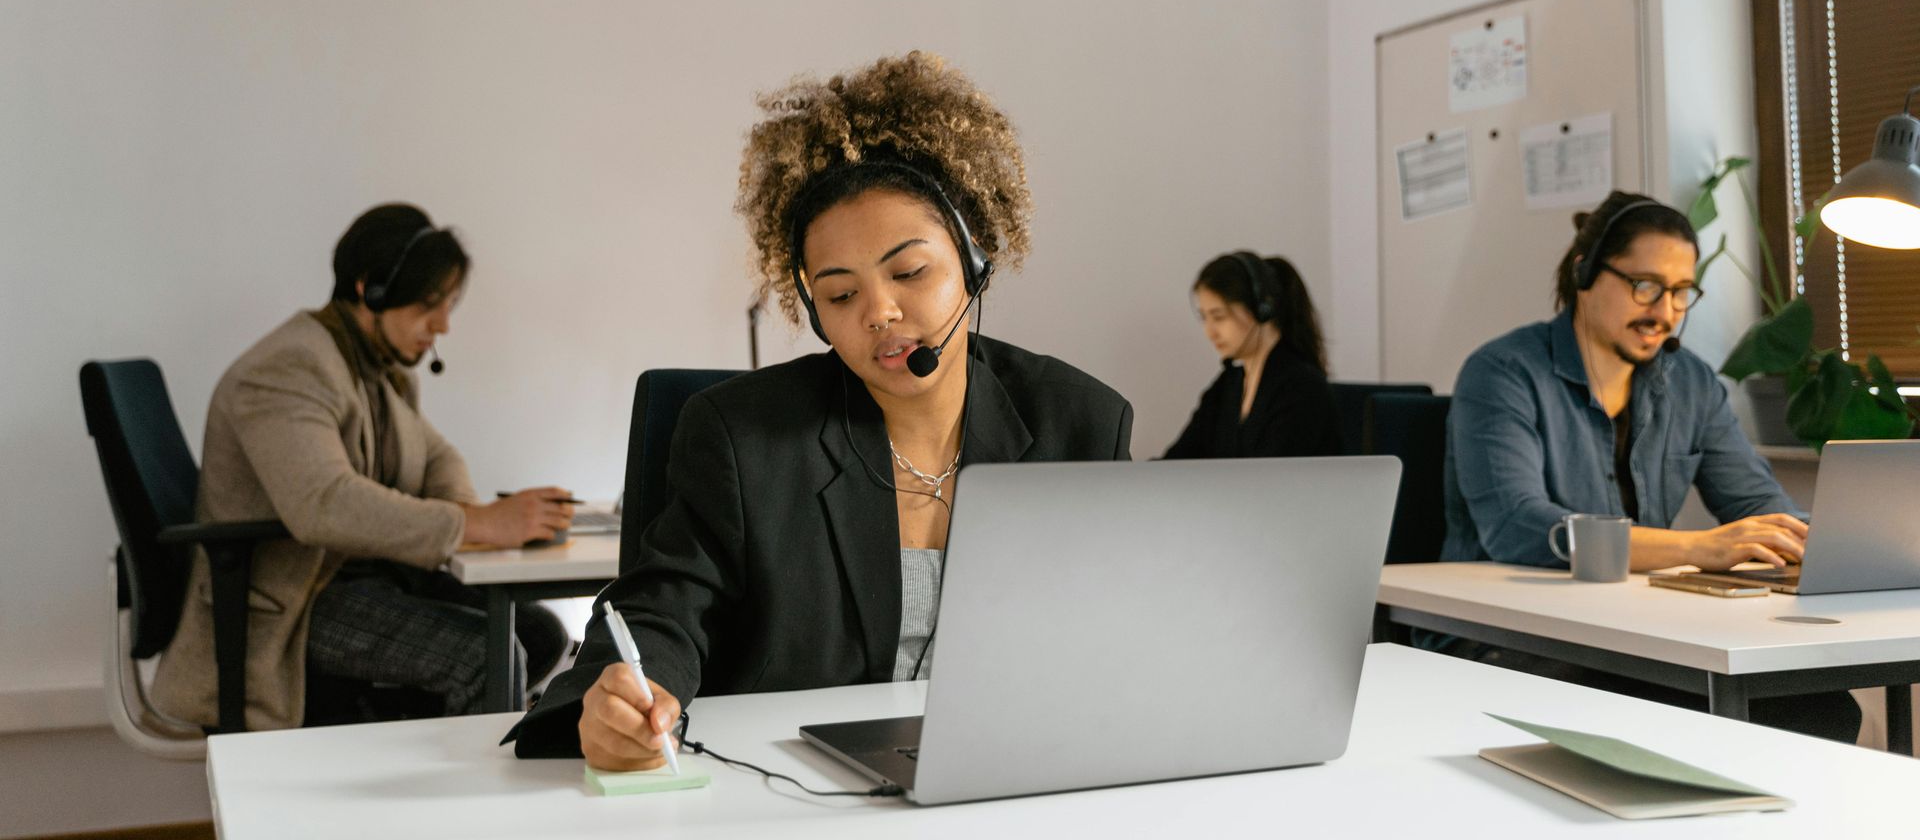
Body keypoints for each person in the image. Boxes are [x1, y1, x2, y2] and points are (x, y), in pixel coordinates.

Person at [507, 52, 1135, 766]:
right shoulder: (745, 437)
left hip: (1014, 777)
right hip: (792, 790)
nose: (880, 313)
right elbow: (661, 610)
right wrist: (626, 695)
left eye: (909, 272)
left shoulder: (1081, 422)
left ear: (977, 259)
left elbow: (1123, 637)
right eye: (840, 295)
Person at [1439, 189, 1857, 740]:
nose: (1664, 313)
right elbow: (1518, 527)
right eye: (1645, 287)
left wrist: (1845, 548)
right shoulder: (1502, 373)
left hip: (1633, 635)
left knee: (1819, 708)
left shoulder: (1691, 384)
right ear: (1585, 273)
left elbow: (1759, 505)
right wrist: (1698, 547)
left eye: (1682, 292)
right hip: (1506, 638)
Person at [150, 204, 574, 731]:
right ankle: (463, 806)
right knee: (485, 657)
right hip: (295, 601)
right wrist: (478, 524)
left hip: (358, 578)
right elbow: (324, 503)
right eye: (427, 305)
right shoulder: (290, 368)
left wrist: (471, 511)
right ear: (369, 290)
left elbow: (433, 455)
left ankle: (419, 777)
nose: (442, 325)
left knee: (539, 632)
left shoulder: (377, 366)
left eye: (447, 306)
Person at [1165, 252, 1338, 459]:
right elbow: (1179, 459)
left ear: (1262, 310)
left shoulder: (1302, 386)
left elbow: (1273, 478)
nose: (1210, 331)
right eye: (1204, 318)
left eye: (1219, 317)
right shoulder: (1228, 385)